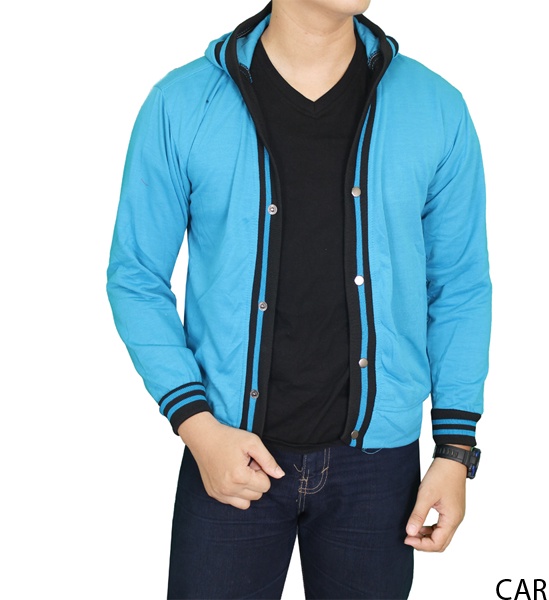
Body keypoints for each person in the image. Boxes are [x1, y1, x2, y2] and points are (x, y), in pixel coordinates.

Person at [107, 0, 491, 598]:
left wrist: (455, 448)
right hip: (228, 454)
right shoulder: (182, 103)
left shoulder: (435, 106)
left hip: (379, 470)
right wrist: (197, 427)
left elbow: (459, 284)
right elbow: (135, 276)